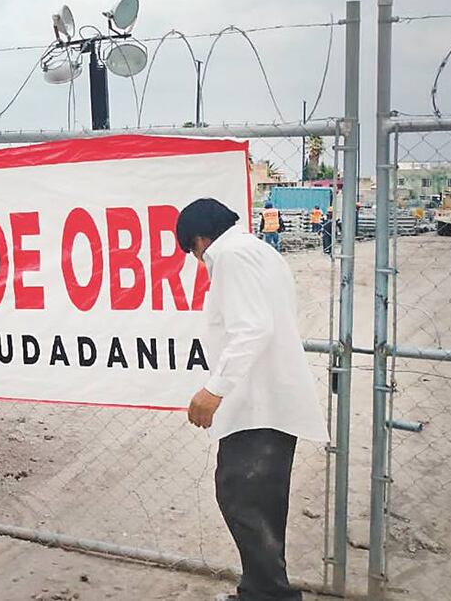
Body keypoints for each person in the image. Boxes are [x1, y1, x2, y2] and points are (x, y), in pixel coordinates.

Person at [176, 198, 329, 601]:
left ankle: (268, 594)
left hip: (260, 405)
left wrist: (214, 390)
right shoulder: (260, 250)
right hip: (267, 400)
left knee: (240, 495)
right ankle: (262, 590)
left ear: (200, 239)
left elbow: (252, 329)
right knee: (258, 502)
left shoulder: (229, 256)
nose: (198, 261)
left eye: (193, 253)